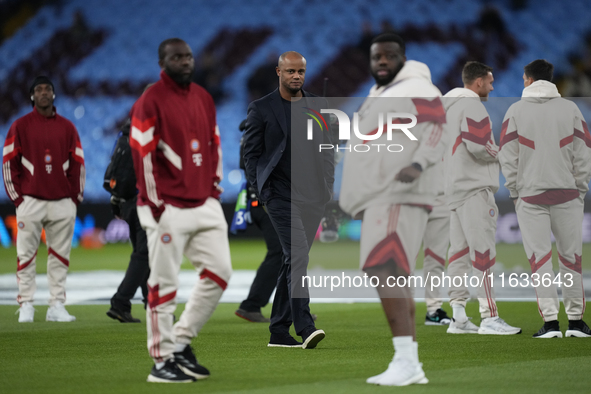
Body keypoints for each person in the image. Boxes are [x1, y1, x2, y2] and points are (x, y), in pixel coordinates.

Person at [340, 33, 447, 386]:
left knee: (383, 265)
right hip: (382, 195)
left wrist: (417, 164)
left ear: (402, 58)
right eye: (376, 57)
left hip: (400, 192)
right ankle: (408, 361)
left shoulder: (416, 86)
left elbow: (435, 126)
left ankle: (406, 360)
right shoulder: (379, 95)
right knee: (391, 271)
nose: (381, 62)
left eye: (389, 56)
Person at [130, 38, 233, 383]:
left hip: (204, 200)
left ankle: (181, 342)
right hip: (167, 205)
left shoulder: (204, 96)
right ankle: (161, 362)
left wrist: (214, 187)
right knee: (164, 285)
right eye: (177, 57)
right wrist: (156, 203)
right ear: (163, 62)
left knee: (219, 273)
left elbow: (215, 142)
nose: (185, 61)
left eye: (188, 56)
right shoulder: (150, 99)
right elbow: (142, 154)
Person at [242, 51, 334, 349]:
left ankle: (278, 332)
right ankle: (305, 326)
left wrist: (327, 188)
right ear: (279, 72)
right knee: (297, 256)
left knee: (289, 261)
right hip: (279, 196)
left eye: (301, 72)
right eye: (291, 71)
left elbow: (328, 150)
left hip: (313, 197)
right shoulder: (261, 108)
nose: (296, 76)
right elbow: (250, 155)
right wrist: (261, 190)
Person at [499, 59, 591, 338]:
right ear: (551, 79)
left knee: (540, 260)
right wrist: (580, 187)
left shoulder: (515, 110)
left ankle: (551, 323)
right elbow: (583, 150)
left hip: (530, 194)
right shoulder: (571, 108)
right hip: (567, 193)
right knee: (571, 259)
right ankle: (576, 322)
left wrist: (515, 190)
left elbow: (508, 154)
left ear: (527, 79)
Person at [442, 61, 521, 335]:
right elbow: (478, 145)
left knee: (459, 254)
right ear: (477, 82)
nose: (493, 86)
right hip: (474, 187)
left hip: (452, 188)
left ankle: (459, 317)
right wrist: (502, 154)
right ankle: (489, 316)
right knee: (483, 254)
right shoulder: (473, 105)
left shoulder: (444, 109)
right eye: (490, 80)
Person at [3, 76, 84, 323]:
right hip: (30, 201)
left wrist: (74, 199)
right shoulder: (20, 126)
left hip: (62, 202)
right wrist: (18, 199)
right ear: (32, 96)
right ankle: (26, 304)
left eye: (48, 89)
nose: (44, 93)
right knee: (25, 255)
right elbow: (9, 164)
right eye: (38, 90)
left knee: (60, 256)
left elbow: (78, 164)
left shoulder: (68, 127)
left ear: (54, 94)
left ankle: (56, 305)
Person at [235, 119, 283, 323]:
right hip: (265, 203)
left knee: (288, 253)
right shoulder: (259, 137)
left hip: (261, 201)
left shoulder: (250, 136)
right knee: (280, 251)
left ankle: (292, 310)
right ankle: (251, 305)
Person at [104, 119, 150, 323]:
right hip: (146, 201)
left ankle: (153, 305)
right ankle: (121, 302)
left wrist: (117, 201)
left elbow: (116, 172)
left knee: (144, 253)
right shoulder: (151, 135)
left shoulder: (126, 135)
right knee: (145, 253)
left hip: (127, 202)